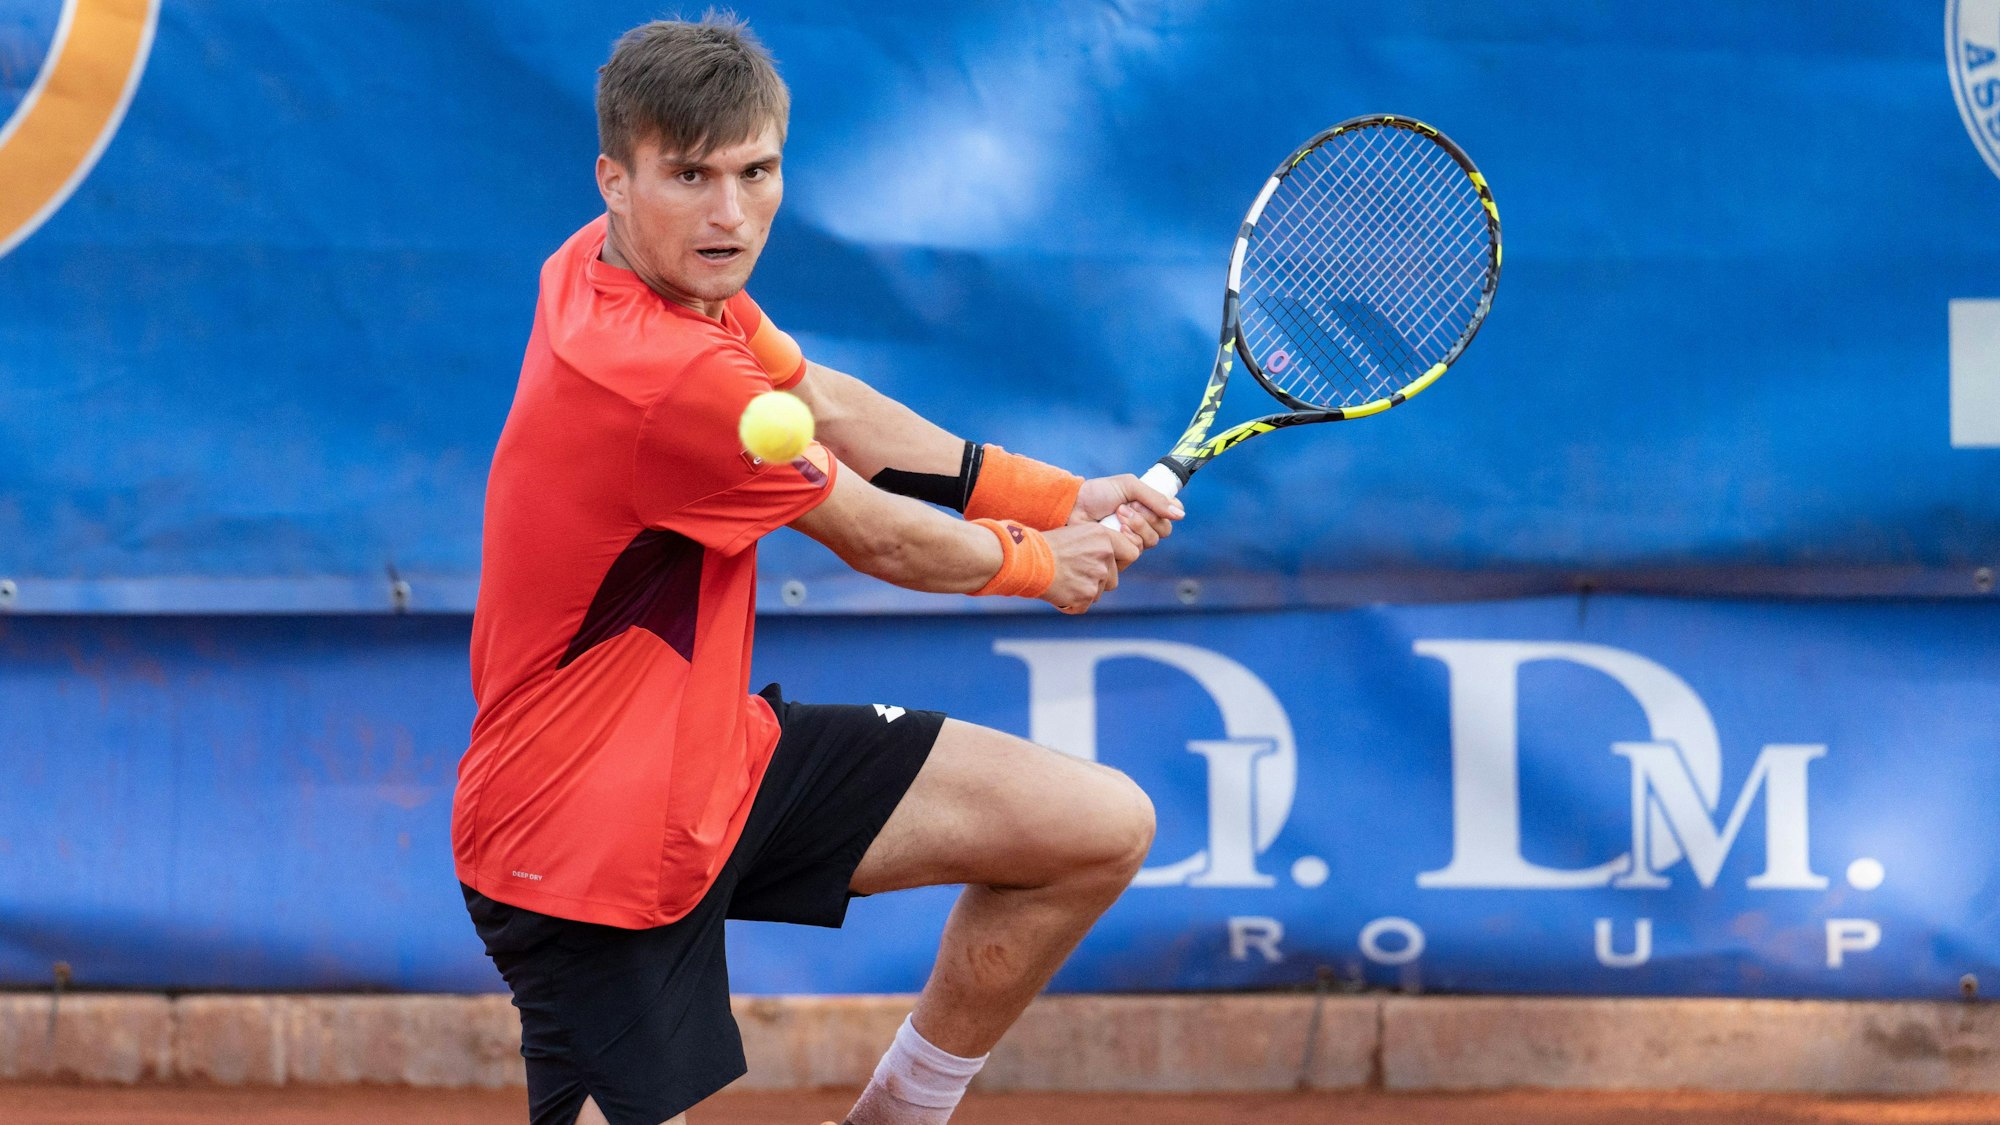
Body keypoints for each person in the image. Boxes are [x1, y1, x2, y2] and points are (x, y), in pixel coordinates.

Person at [451, 14, 1182, 1125]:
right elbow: (879, 536)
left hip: (716, 768)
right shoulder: (662, 383)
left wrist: (1055, 497)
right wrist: (1045, 564)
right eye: (689, 176)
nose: (729, 214)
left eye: (754, 171)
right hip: (583, 840)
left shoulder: (625, 269)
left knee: (1091, 826)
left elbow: (828, 403)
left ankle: (899, 1114)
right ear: (615, 177)